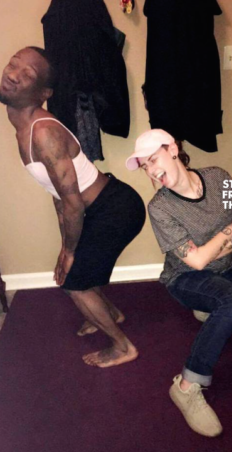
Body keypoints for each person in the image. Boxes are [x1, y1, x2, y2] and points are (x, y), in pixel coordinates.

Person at [0, 47, 146, 367]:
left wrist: (68, 251)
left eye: (28, 74)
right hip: (95, 207)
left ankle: (122, 347)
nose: (13, 74)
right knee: (78, 269)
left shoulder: (44, 133)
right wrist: (67, 245)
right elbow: (58, 193)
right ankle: (109, 313)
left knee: (73, 283)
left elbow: (72, 203)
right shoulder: (23, 126)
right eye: (13, 64)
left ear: (44, 94)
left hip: (115, 210)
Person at [126, 129, 232, 437]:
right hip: (185, 278)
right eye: (145, 166)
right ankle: (186, 385)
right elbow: (196, 262)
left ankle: (212, 308)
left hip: (227, 269)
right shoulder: (159, 207)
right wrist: (228, 232)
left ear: (172, 149)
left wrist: (214, 247)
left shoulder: (219, 177)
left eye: (153, 159)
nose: (151, 171)